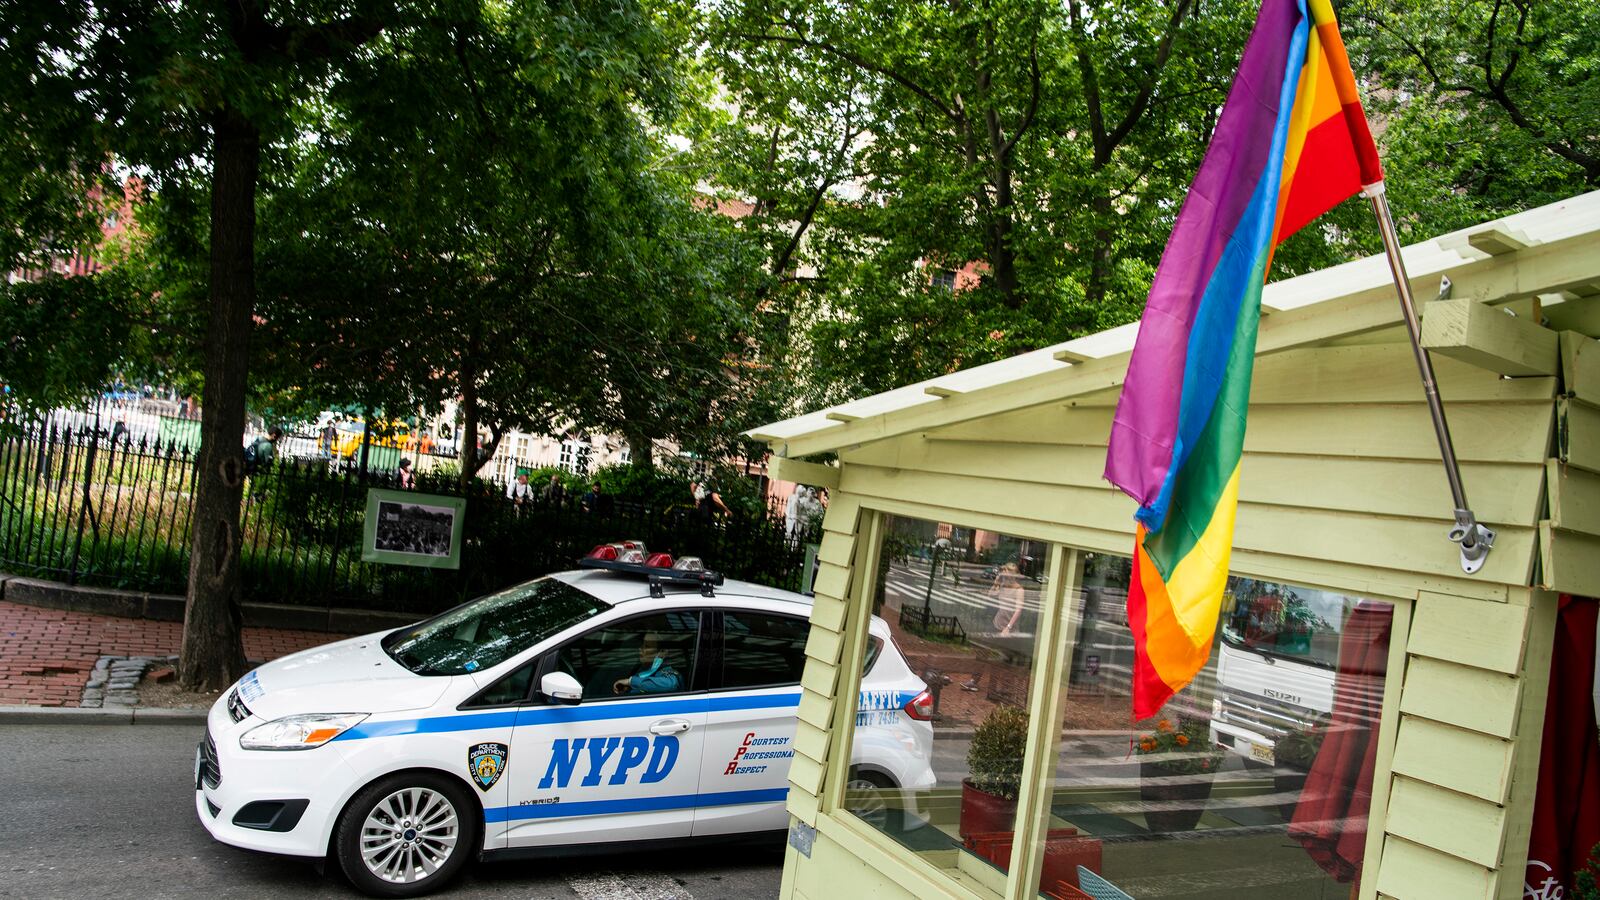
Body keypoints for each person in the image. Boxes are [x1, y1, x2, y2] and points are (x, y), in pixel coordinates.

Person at [612, 632, 682, 695]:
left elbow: (671, 684)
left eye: (647, 646)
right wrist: (628, 688)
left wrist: (630, 681)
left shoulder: (667, 672)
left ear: (662, 653)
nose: (641, 649)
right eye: (642, 645)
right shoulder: (643, 671)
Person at [989, 560, 1026, 635]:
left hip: (1010, 627)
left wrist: (1008, 627)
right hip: (997, 623)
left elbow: (1018, 610)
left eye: (1006, 572)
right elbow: (990, 595)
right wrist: (996, 583)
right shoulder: (1003, 585)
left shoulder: (1019, 590)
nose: (1003, 574)